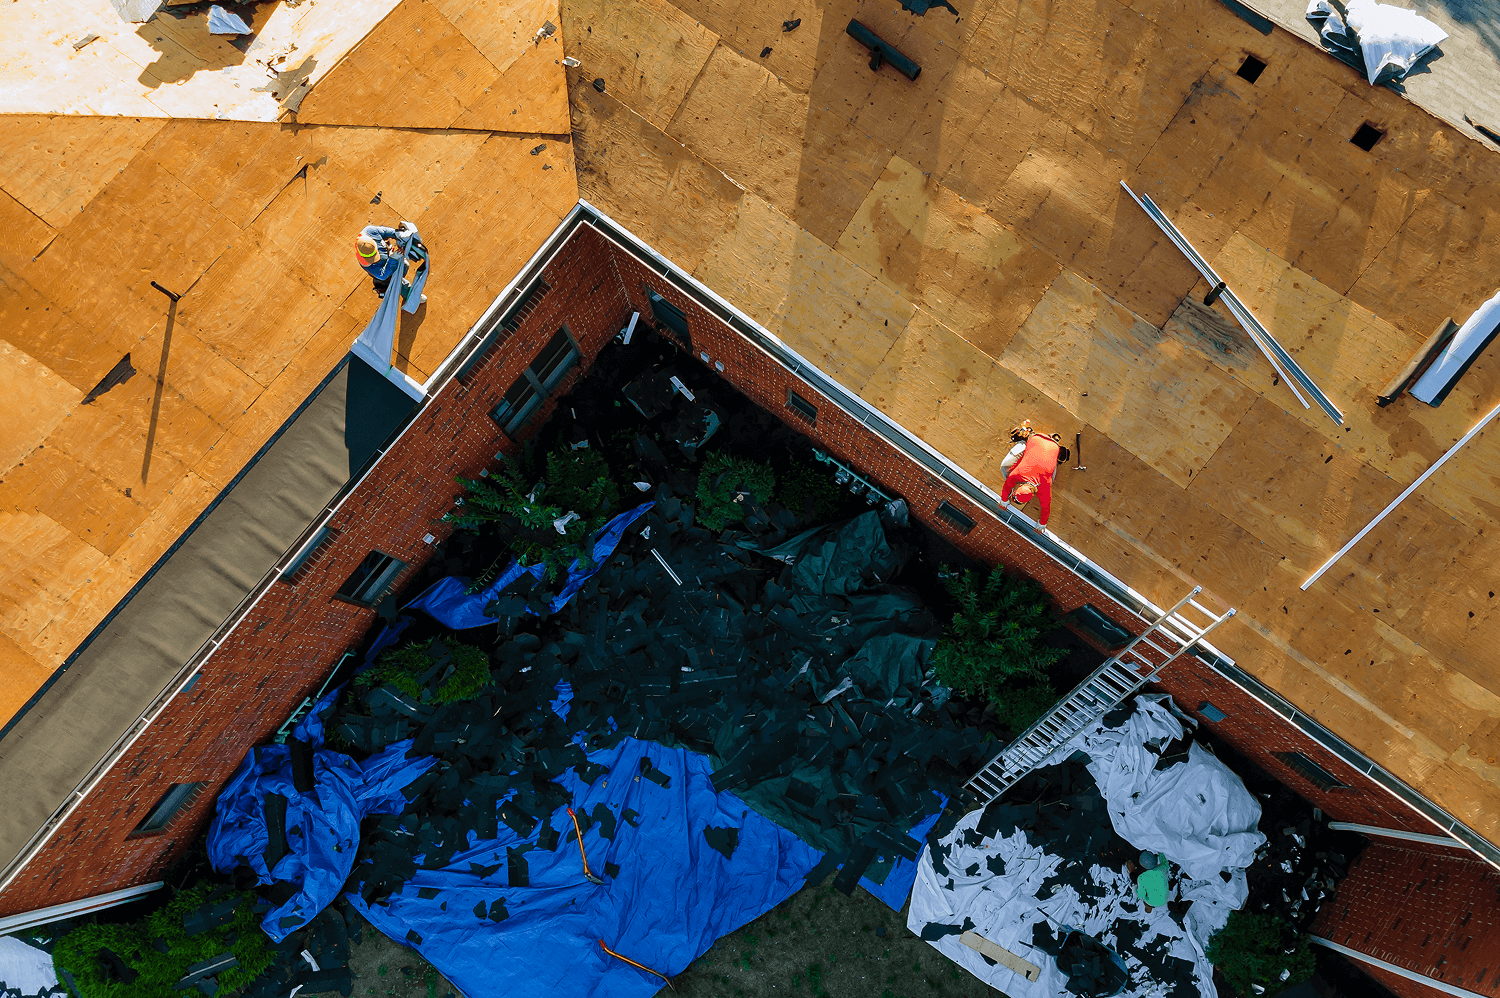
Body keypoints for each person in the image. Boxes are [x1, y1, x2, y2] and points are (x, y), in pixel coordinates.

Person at [999, 425, 1071, 526]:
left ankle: (1053, 448)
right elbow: (1007, 485)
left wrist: (1042, 524)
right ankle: (1024, 442)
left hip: (1053, 446)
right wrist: (1003, 501)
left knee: (1050, 477)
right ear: (1020, 486)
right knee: (1005, 468)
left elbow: (1046, 508)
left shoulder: (1045, 488)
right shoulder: (1017, 474)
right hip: (1036, 438)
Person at [355, 221, 425, 304]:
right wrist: (392, 259)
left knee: (405, 264)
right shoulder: (369, 266)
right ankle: (411, 297)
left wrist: (397, 234)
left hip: (390, 257)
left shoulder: (369, 231)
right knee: (400, 283)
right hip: (387, 274)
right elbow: (383, 275)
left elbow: (385, 232)